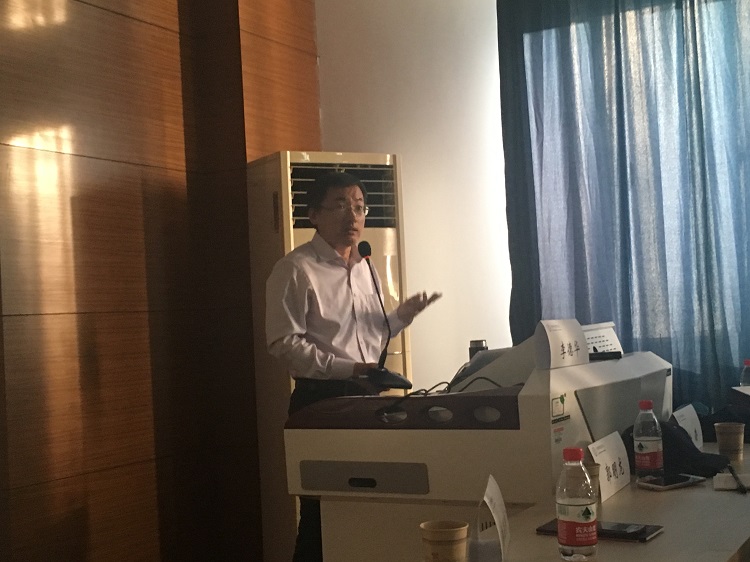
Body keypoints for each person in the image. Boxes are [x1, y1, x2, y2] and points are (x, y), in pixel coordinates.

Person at [265, 171, 441, 562]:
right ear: (313, 214)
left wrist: (401, 317)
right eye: (341, 205)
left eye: (360, 207)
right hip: (321, 402)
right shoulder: (295, 269)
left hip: (368, 399)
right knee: (321, 514)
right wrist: (350, 370)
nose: (353, 216)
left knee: (364, 509)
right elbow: (283, 344)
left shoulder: (365, 266)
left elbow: (370, 334)